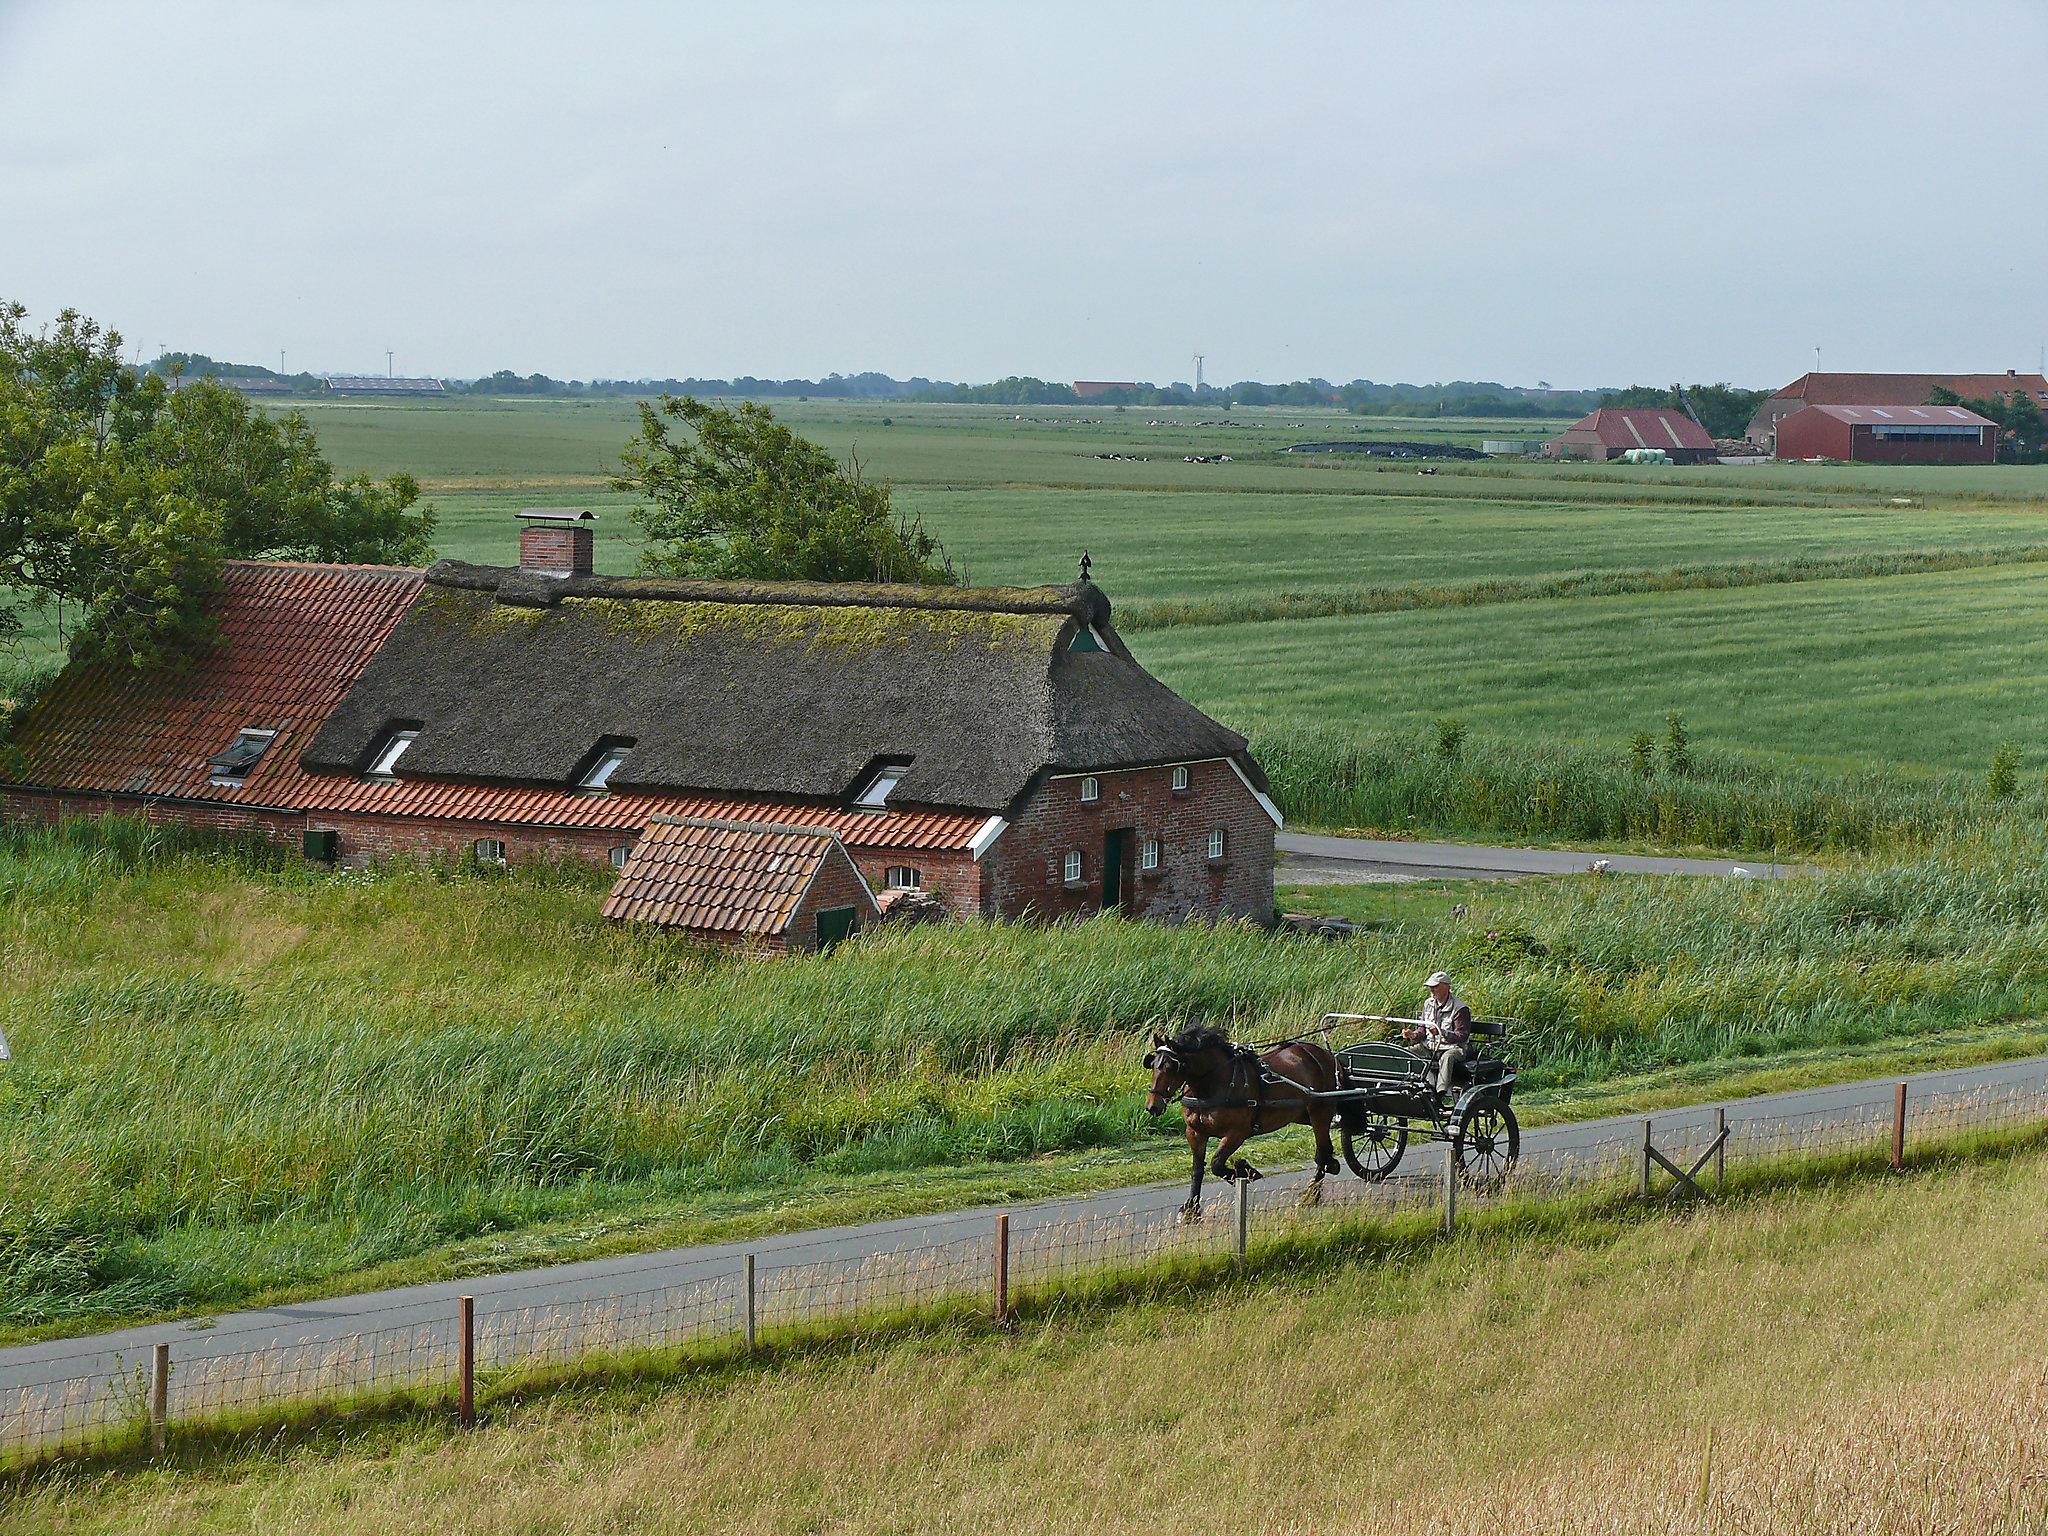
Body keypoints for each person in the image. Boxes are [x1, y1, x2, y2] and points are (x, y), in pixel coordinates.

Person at [1402, 970, 1471, 1094]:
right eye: (1430, 987)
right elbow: (1421, 1030)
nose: (1432, 990)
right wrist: (1413, 1035)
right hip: (1429, 1046)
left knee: (1447, 1057)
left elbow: (1462, 1036)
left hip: (1452, 1048)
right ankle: (1405, 1085)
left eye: (1435, 987)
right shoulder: (1428, 1004)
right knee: (1405, 1053)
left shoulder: (1460, 1008)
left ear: (1446, 986)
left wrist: (1441, 1032)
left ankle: (1441, 1091)